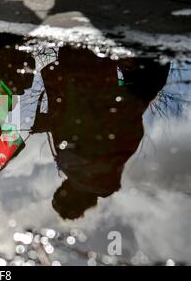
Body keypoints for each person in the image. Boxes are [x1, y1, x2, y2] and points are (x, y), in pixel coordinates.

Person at [31, 46, 169, 219]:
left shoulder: (107, 169)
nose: (61, 186)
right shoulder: (74, 164)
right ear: (69, 193)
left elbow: (87, 125)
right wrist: (51, 120)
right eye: (61, 191)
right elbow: (79, 116)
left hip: (131, 86)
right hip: (89, 71)